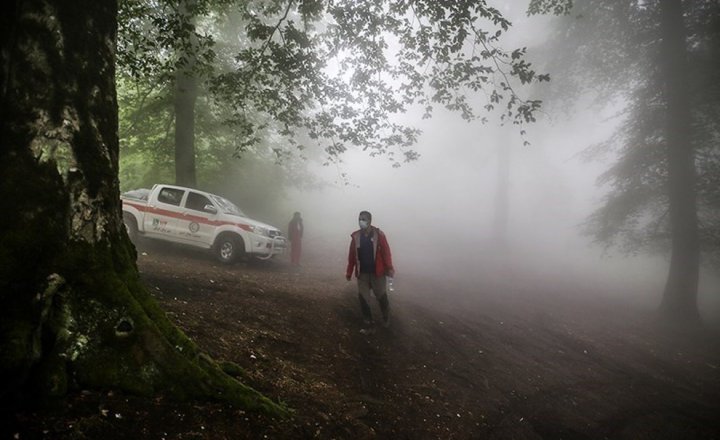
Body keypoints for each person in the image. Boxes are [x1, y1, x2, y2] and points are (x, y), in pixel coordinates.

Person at [345, 210, 395, 331]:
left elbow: (386, 252)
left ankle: (386, 317)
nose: (361, 221)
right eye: (359, 219)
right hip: (362, 273)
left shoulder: (379, 235)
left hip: (377, 272)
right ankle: (368, 322)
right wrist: (349, 271)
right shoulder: (356, 236)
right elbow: (352, 255)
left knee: (381, 295)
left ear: (370, 221)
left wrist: (389, 268)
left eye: (363, 219)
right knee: (363, 297)